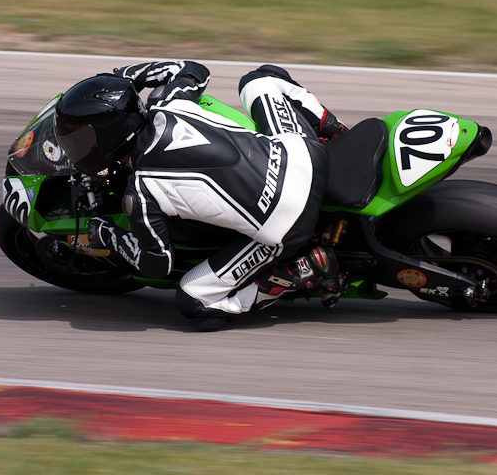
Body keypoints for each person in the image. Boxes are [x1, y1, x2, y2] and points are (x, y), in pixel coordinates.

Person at [54, 61, 346, 330]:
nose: (76, 146)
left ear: (105, 139)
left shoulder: (142, 191)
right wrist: (127, 76)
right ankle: (339, 133)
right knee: (259, 79)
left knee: (195, 301)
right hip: (302, 154)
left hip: (288, 219)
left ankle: (302, 272)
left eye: (81, 139)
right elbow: (193, 69)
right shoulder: (167, 102)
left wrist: (105, 234)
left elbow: (156, 265)